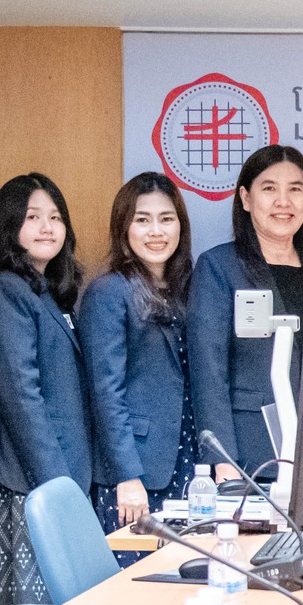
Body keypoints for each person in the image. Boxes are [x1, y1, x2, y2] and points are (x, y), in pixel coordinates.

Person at [0, 173, 92, 605]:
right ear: (10, 226)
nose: (47, 227)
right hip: (32, 484)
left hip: (58, 478)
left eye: (56, 217)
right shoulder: (5, 289)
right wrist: (57, 486)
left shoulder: (47, 290)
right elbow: (21, 396)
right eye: (32, 217)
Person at [187, 145, 303, 478]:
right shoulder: (219, 266)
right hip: (250, 454)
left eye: (295, 190)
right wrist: (222, 459)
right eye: (269, 189)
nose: (283, 202)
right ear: (245, 198)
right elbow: (208, 372)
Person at [81, 172, 197, 536]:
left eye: (166, 219)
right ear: (124, 228)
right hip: (137, 471)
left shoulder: (187, 290)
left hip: (188, 458)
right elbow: (106, 393)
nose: (156, 232)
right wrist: (127, 475)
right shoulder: (109, 292)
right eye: (142, 220)